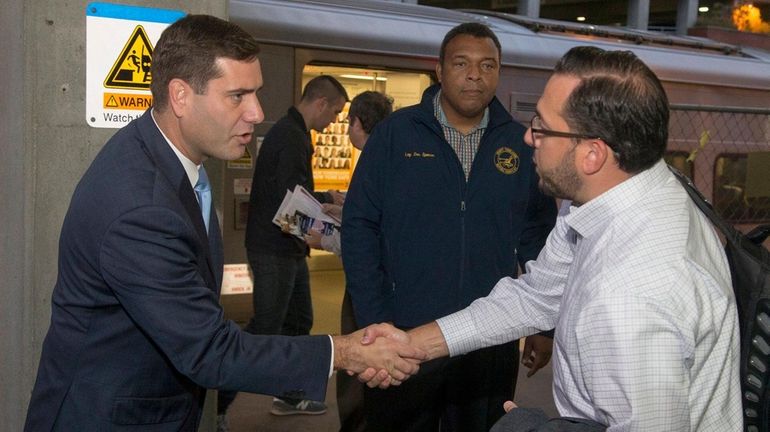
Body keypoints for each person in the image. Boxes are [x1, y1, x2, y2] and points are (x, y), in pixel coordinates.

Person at [23, 15, 424, 432]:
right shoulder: (141, 208)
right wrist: (345, 353)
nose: (256, 112)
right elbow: (211, 351)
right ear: (180, 96)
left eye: (256, 93)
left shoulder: (165, 160)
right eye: (237, 95)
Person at [362, 46, 744, 431]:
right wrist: (415, 345)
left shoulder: (629, 295)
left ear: (592, 155)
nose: (528, 137)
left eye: (542, 126)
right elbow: (538, 296)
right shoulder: (612, 196)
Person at [341, 22, 558, 431]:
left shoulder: (520, 144)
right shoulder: (394, 136)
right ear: (439, 70)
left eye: (487, 65)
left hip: (489, 341)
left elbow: (539, 241)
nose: (474, 74)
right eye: (461, 63)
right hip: (403, 334)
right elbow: (359, 229)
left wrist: (545, 326)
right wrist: (375, 320)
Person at [236, 74, 348, 417]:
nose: (332, 123)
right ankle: (219, 404)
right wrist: (330, 199)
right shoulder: (290, 137)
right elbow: (291, 198)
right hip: (274, 248)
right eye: (334, 113)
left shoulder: (294, 133)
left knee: (299, 321)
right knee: (266, 328)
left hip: (287, 248)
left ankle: (289, 393)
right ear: (321, 103)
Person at [304, 90, 394, 432]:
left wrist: (324, 238)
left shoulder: (371, 162)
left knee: (359, 357)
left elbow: (368, 238)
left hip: (367, 282)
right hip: (385, 282)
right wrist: (344, 209)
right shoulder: (391, 158)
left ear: (358, 123)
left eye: (348, 121)